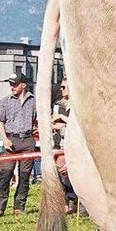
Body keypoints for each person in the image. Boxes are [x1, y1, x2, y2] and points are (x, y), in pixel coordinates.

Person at [0, 72, 37, 217]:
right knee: (5, 175)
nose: (12, 87)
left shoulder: (34, 101)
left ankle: (19, 207)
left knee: (25, 176)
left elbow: (37, 119)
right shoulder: (5, 101)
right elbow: (0, 122)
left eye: (15, 84)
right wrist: (4, 139)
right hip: (10, 139)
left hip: (27, 140)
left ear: (23, 85)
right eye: (10, 84)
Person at [51, 78, 78, 214]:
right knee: (60, 173)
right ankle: (65, 202)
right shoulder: (59, 105)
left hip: (73, 145)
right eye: (61, 87)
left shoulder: (77, 106)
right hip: (60, 143)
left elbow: (77, 123)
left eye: (64, 87)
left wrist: (62, 117)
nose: (61, 90)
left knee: (71, 175)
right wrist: (55, 125)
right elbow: (58, 123)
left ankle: (74, 203)